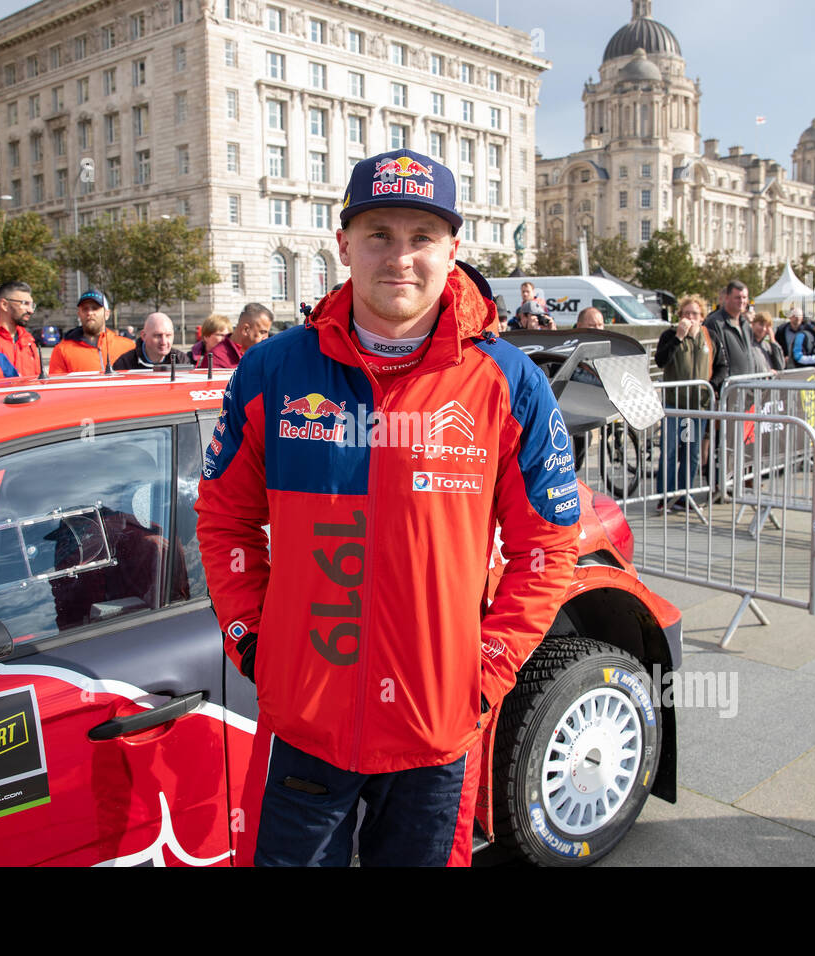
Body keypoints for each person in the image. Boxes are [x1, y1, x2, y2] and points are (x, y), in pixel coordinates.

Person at [195, 147, 579, 868]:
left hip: (435, 733)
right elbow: (224, 521)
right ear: (343, 245)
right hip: (307, 723)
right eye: (378, 235)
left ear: (453, 248)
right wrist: (252, 635)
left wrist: (486, 667)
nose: (399, 258)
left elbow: (549, 550)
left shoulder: (506, 379)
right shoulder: (272, 371)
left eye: (421, 238)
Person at [654, 295, 713, 511]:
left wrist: (713, 385)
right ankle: (665, 497)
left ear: (702, 317)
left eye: (694, 314)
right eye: (686, 313)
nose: (690, 317)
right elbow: (661, 360)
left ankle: (683, 494)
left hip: (698, 407)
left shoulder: (708, 337)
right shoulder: (669, 335)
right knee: (670, 451)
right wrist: (678, 337)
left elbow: (720, 363)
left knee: (692, 452)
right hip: (674, 405)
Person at [49, 290, 135, 374]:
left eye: (95, 308)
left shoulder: (128, 347)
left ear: (107, 314)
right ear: (79, 314)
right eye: (85, 309)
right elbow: (57, 385)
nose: (89, 313)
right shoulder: (62, 350)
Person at [704, 281, 757, 394]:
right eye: (737, 297)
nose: (742, 301)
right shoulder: (714, 323)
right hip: (727, 392)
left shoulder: (746, 325)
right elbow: (712, 358)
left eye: (744, 297)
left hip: (746, 391)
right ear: (727, 298)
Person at [203, 303, 272, 369]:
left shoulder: (262, 355)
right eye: (263, 332)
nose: (266, 338)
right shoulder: (216, 359)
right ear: (246, 329)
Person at [113, 312, 190, 369]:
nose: (163, 342)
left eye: (168, 335)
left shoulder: (181, 360)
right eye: (157, 336)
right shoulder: (125, 364)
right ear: (143, 336)